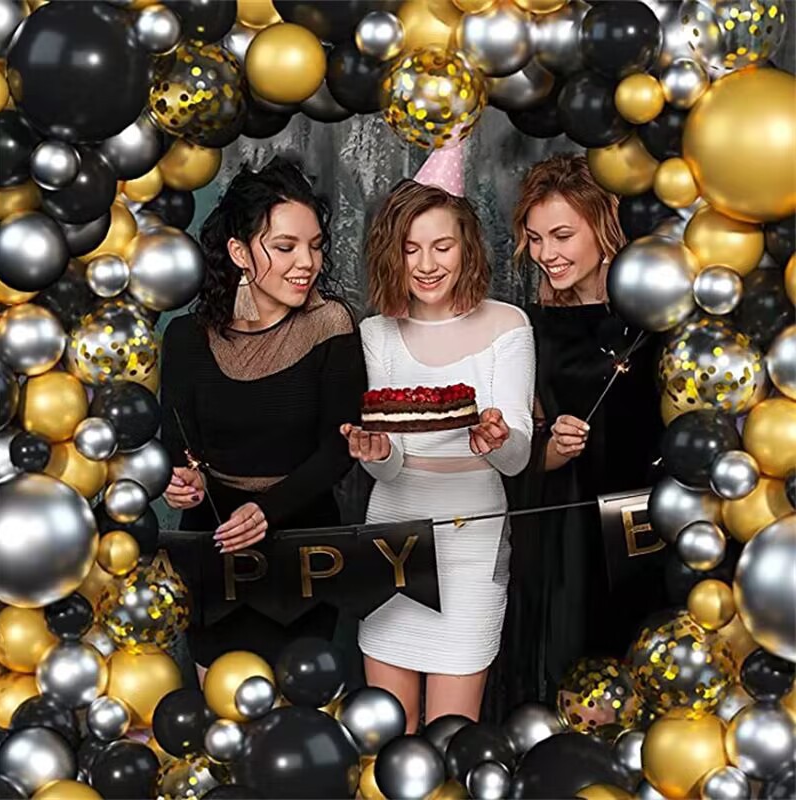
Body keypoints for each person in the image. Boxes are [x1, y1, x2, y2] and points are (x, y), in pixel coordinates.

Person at [341, 143, 535, 732]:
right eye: (410, 248)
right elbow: (390, 461)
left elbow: (518, 459)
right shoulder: (376, 332)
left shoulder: (508, 324)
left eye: (442, 246)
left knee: (452, 735)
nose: (426, 264)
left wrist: (497, 440)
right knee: (387, 732)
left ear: (467, 246)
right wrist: (377, 453)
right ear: (392, 254)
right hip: (392, 539)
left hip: (473, 542)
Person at [160, 157, 367, 672]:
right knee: (220, 704)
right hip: (213, 544)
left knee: (302, 709)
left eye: (315, 245)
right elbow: (176, 441)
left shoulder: (331, 325)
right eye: (285, 246)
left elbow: (339, 448)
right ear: (240, 253)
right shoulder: (186, 337)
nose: (307, 262)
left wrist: (268, 510)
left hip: (305, 547)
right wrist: (179, 479)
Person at [484, 153, 664, 721]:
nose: (546, 254)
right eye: (536, 238)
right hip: (561, 532)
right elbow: (518, 452)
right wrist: (551, 451)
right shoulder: (528, 327)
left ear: (604, 228)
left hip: (646, 524)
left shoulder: (656, 320)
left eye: (562, 235)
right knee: (565, 676)